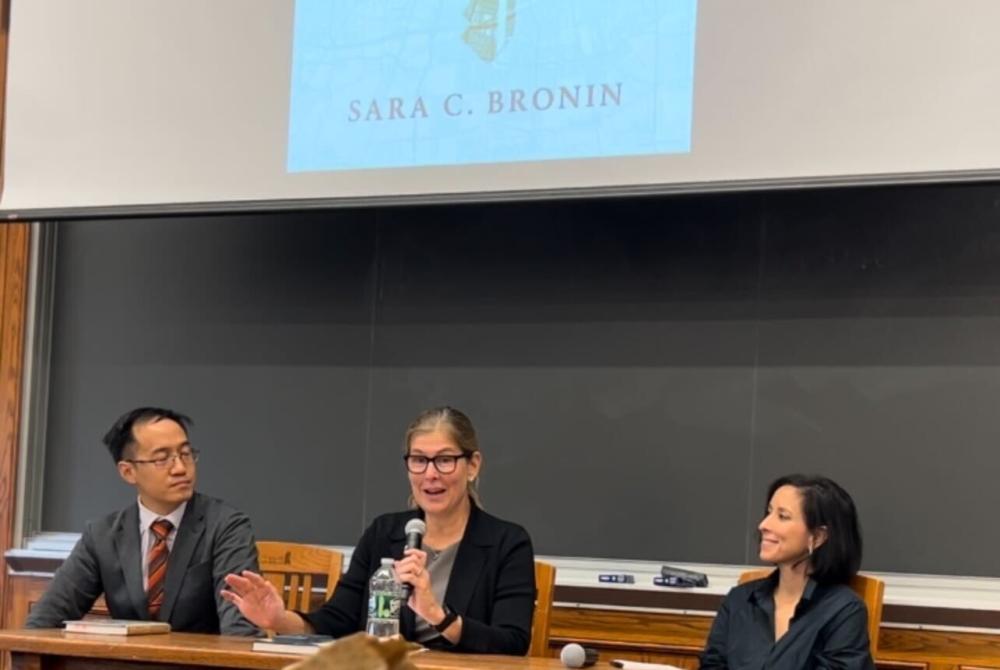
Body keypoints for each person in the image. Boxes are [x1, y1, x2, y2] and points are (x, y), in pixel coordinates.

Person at [223, 406, 536, 655]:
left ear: (473, 465)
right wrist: (280, 620)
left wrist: (439, 616)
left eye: (444, 460)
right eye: (418, 460)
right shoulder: (384, 533)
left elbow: (512, 642)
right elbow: (338, 620)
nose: (430, 475)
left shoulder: (506, 543)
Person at [26, 407, 261, 636]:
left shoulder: (226, 526)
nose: (180, 468)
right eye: (162, 459)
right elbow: (44, 620)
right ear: (128, 471)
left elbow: (240, 631)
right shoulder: (102, 536)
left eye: (185, 454)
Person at [699, 474, 875, 670]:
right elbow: (712, 665)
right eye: (768, 512)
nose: (764, 525)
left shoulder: (844, 610)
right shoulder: (740, 599)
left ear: (817, 537)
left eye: (782, 516)